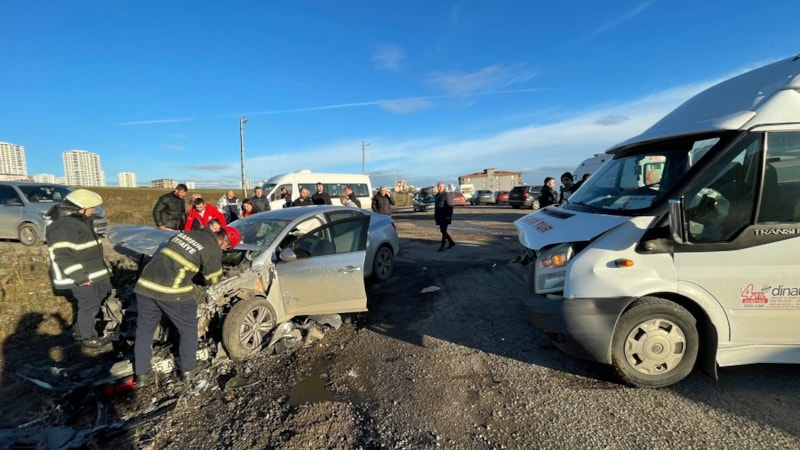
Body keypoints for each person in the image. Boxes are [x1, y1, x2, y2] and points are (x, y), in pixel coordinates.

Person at [133, 226, 241, 387]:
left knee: (144, 330)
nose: (224, 250)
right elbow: (213, 280)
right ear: (225, 241)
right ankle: (188, 370)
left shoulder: (188, 234)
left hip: (145, 285)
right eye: (226, 248)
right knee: (188, 330)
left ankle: (142, 375)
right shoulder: (213, 249)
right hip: (172, 291)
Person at [46, 189, 114, 352]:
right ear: (80, 208)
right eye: (91, 208)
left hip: (93, 272)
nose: (93, 211)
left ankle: (80, 329)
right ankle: (88, 338)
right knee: (88, 304)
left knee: (100, 295)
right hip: (80, 275)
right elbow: (63, 255)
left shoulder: (79, 221)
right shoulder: (63, 226)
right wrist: (80, 277)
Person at [434, 182, 456, 251]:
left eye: (440, 186)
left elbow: (450, 206)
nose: (439, 188)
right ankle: (451, 242)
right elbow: (437, 206)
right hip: (439, 216)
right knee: (442, 230)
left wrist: (449, 216)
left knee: (443, 230)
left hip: (445, 216)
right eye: (438, 186)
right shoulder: (437, 195)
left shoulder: (446, 194)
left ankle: (442, 245)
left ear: (444, 187)